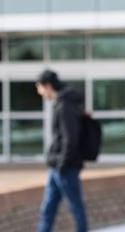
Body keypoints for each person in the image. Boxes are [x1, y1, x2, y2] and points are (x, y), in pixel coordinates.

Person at [35, 69, 88, 232]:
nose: (39, 91)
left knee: (75, 207)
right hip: (57, 167)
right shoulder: (61, 102)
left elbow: (69, 138)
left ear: (48, 86)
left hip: (65, 168)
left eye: (39, 87)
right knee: (47, 209)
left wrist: (62, 165)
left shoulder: (65, 104)